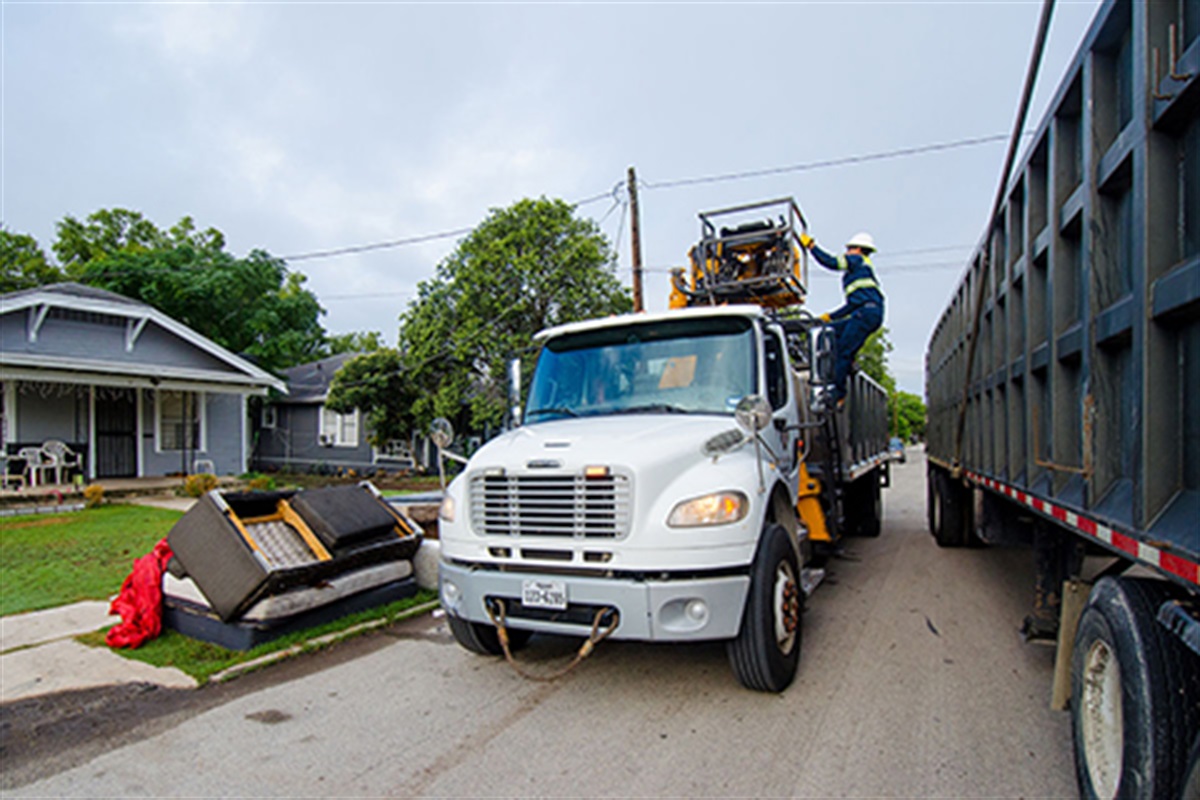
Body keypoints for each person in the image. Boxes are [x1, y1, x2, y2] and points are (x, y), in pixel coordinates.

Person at [799, 230, 885, 407]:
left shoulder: (857, 261)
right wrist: (830, 316)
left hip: (865, 314)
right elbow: (852, 305)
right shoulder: (862, 270)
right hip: (865, 313)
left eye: (850, 248)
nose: (847, 251)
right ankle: (848, 362)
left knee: (842, 353)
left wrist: (811, 246)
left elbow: (831, 262)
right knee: (829, 332)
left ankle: (838, 394)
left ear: (859, 249)